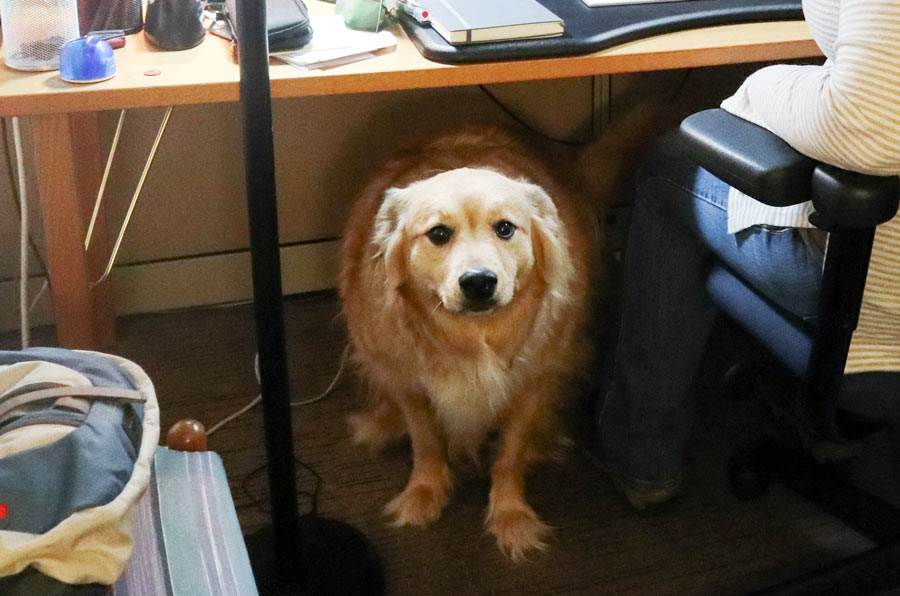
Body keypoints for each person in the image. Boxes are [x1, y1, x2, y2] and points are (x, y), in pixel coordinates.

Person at [598, 0, 900, 509]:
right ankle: (832, 432)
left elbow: (869, 123)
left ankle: (640, 455)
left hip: (885, 334)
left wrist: (760, 90)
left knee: (673, 169)